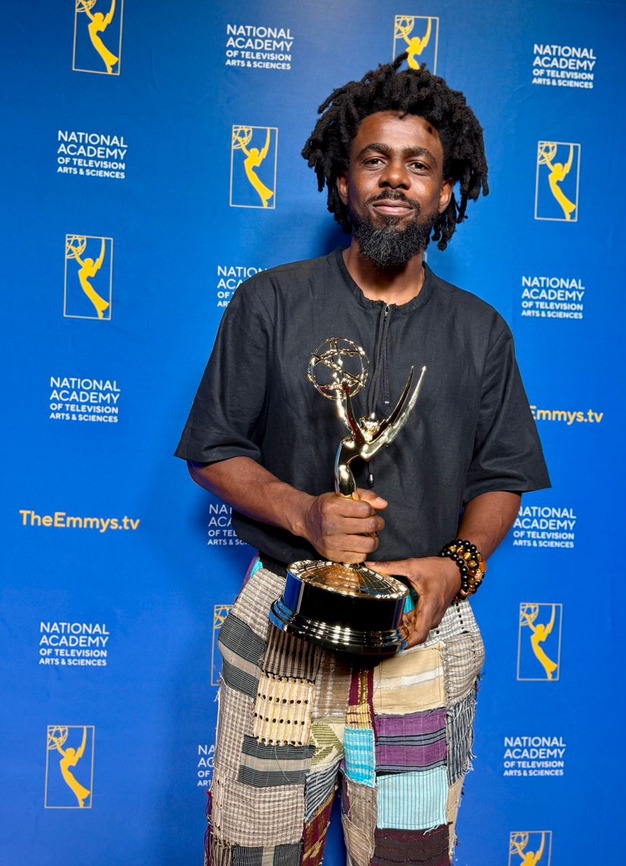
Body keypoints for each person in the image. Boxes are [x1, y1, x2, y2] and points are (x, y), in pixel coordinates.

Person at [176, 55, 550, 866]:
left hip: (421, 637)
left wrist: (456, 566)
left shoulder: (481, 332)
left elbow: (502, 479)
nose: (395, 178)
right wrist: (305, 513)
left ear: (445, 192)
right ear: (343, 181)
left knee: (410, 855)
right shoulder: (271, 302)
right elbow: (213, 449)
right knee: (255, 853)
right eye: (375, 159)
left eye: (420, 164)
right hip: (287, 628)